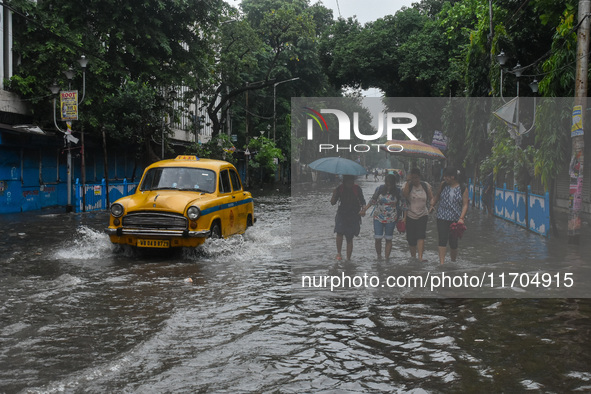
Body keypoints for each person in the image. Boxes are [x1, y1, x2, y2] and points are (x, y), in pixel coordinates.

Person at [430, 167, 469, 265]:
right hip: (442, 216)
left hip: (455, 219)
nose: (444, 178)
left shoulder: (462, 188)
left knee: (453, 242)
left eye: (446, 176)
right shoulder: (443, 185)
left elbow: (465, 205)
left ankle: (453, 261)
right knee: (442, 239)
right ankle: (442, 263)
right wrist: (432, 205)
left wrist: (461, 218)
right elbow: (437, 196)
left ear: (453, 177)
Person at [360, 173, 402, 262]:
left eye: (390, 184)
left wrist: (404, 218)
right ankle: (379, 257)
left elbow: (404, 204)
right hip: (378, 217)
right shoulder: (379, 189)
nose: (388, 186)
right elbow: (372, 201)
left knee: (388, 239)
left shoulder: (398, 191)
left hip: (391, 218)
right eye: (387, 183)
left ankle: (387, 259)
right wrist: (364, 210)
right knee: (378, 238)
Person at [331, 175, 366, 261]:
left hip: (353, 215)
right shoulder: (340, 188)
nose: (351, 184)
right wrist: (334, 194)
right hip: (342, 214)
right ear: (345, 182)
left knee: (349, 237)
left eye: (352, 182)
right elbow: (333, 203)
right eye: (349, 183)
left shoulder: (357, 189)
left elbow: (362, 201)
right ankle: (339, 253)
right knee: (339, 233)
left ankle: (348, 259)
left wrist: (363, 210)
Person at [402, 168, 433, 261]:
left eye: (417, 178)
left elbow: (431, 198)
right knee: (411, 238)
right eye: (413, 178)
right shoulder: (407, 185)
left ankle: (420, 257)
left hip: (423, 214)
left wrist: (432, 205)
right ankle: (413, 256)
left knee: (421, 236)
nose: (415, 180)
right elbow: (405, 195)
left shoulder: (425, 185)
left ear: (419, 177)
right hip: (410, 215)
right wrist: (408, 181)